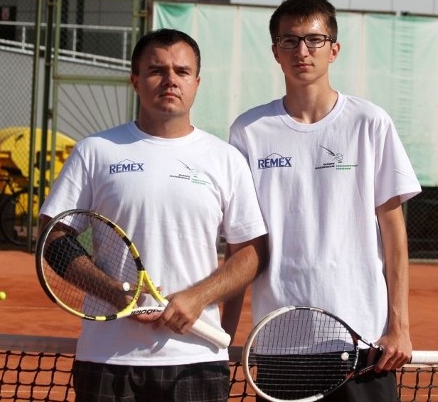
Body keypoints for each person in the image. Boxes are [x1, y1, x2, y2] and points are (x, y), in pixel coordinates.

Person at [39, 28, 268, 402]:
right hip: (106, 358)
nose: (170, 80)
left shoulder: (225, 159)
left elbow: (252, 253)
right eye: (156, 70)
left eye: (181, 71)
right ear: (135, 80)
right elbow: (54, 238)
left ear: (196, 82)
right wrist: (117, 294)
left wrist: (196, 298)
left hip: (196, 358)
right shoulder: (95, 151)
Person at [229, 0, 421, 401]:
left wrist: (398, 325)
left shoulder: (370, 123)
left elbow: (393, 233)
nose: (303, 50)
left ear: (333, 50)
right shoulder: (249, 130)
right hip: (281, 341)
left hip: (363, 342)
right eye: (290, 41)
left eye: (314, 40)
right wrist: (225, 332)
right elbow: (242, 242)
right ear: (275, 53)